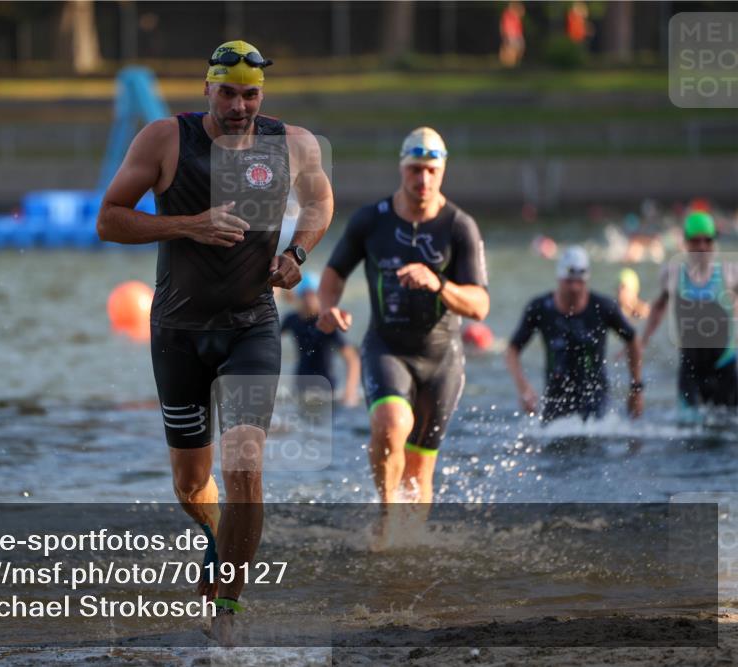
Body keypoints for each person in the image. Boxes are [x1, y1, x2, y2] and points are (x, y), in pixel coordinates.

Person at [96, 40, 334, 639]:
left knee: (246, 467)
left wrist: (298, 252)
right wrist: (188, 225)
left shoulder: (291, 144)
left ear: (262, 95)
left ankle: (226, 613)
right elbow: (108, 219)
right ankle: (219, 531)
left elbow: (322, 199)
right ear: (207, 89)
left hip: (251, 327)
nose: (238, 105)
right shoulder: (164, 140)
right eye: (226, 92)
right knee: (188, 483)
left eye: (249, 93)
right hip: (177, 333)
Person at [318, 127, 489, 514]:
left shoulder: (459, 226)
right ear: (402, 168)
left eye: (431, 170)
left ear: (443, 171)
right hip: (387, 348)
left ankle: (408, 545)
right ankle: (386, 517)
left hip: (441, 358)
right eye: (415, 169)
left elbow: (480, 306)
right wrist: (329, 307)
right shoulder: (370, 220)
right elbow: (333, 276)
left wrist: (438, 283)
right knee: (391, 423)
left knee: (420, 469)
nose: (422, 179)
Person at [506, 246, 644, 422]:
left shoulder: (603, 307)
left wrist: (636, 388)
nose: (574, 288)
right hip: (556, 402)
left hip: (597, 401)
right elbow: (512, 351)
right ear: (559, 279)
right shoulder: (540, 308)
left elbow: (633, 341)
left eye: (580, 282)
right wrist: (523, 388)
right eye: (569, 282)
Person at [640, 211, 737, 417]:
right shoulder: (672, 274)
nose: (701, 247)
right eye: (695, 241)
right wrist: (642, 341)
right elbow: (659, 307)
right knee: (688, 432)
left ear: (714, 242)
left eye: (707, 241)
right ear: (685, 243)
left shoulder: (730, 273)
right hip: (690, 369)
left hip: (725, 367)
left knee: (727, 433)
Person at [280, 272, 361, 407]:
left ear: (320, 297)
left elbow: (352, 358)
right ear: (300, 297)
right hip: (300, 387)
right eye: (306, 295)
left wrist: (350, 392)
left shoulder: (326, 322)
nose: (309, 300)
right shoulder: (292, 319)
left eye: (313, 295)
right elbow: (270, 340)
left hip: (326, 389)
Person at [499, 1, 525, 68]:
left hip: (517, 34)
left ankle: (511, 65)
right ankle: (509, 65)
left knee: (519, 49)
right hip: (511, 35)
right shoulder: (507, 14)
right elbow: (503, 25)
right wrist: (505, 34)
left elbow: (522, 12)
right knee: (511, 50)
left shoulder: (516, 13)